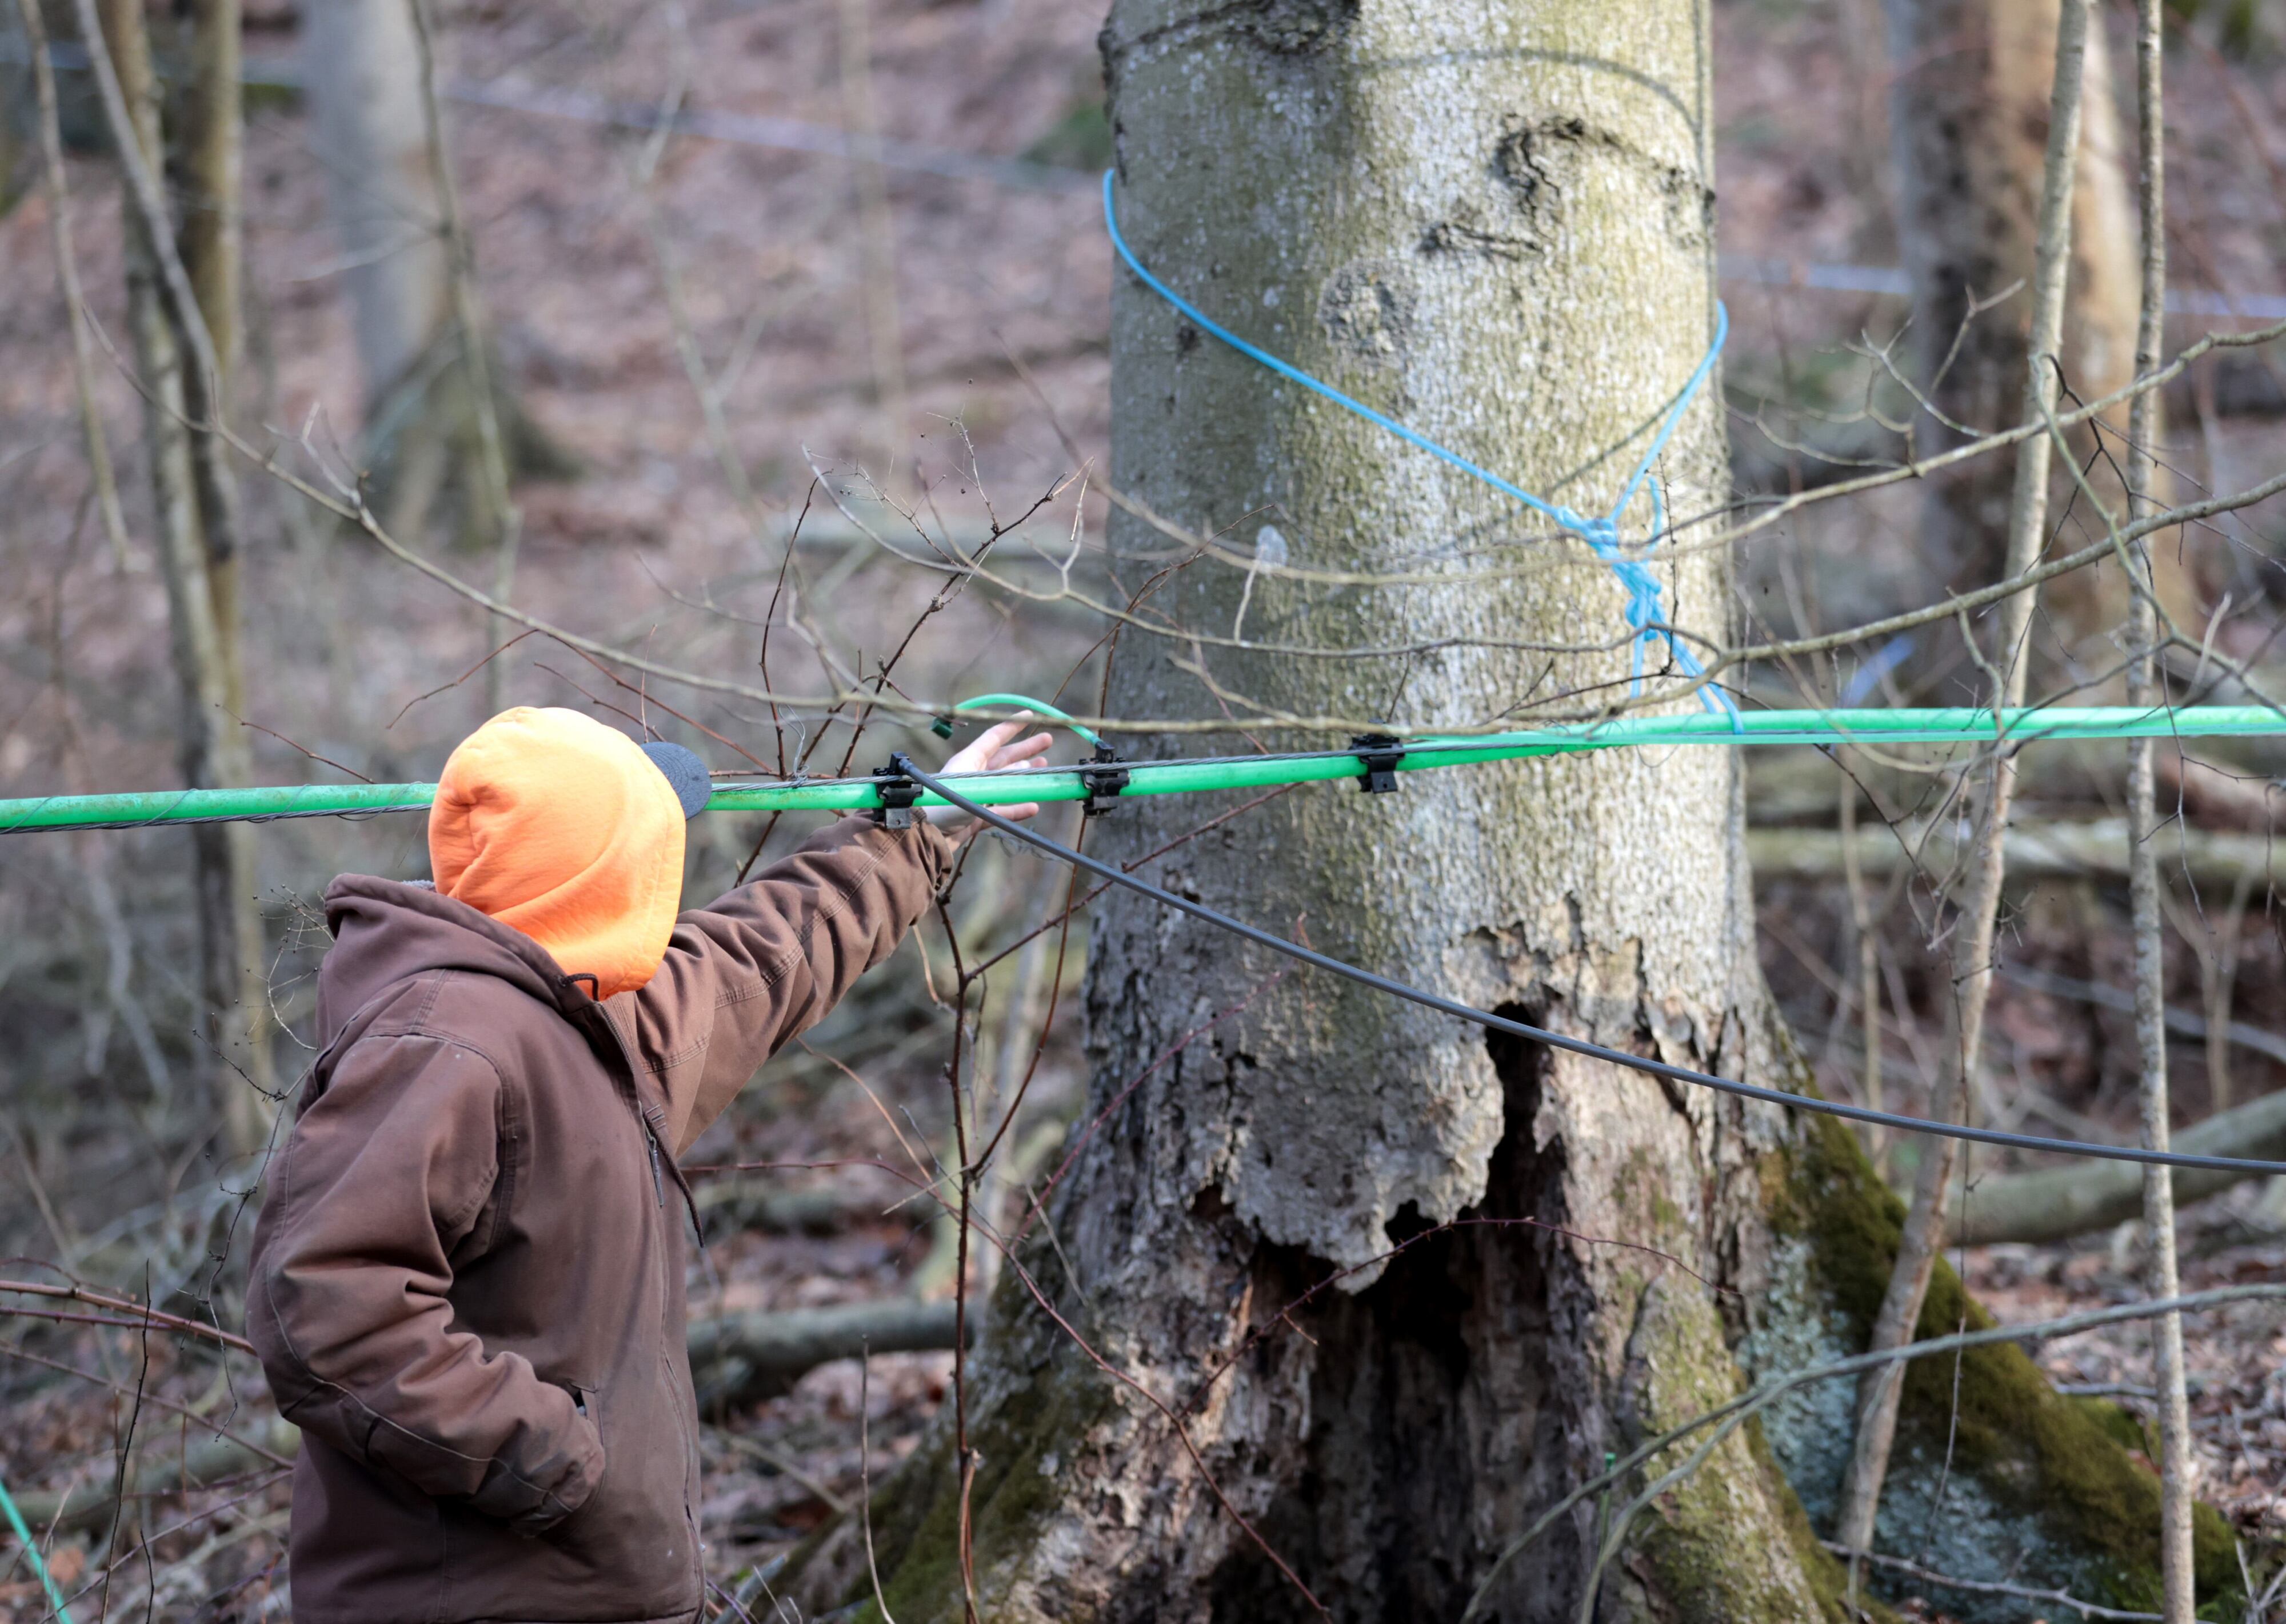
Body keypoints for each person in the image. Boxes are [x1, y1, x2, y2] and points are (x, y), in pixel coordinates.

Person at [245, 705, 1050, 1624]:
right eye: (651, 834)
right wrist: (556, 1456)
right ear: (602, 872)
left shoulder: (595, 1015)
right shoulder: (443, 1044)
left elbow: (764, 957)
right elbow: (326, 1308)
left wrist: (918, 831)